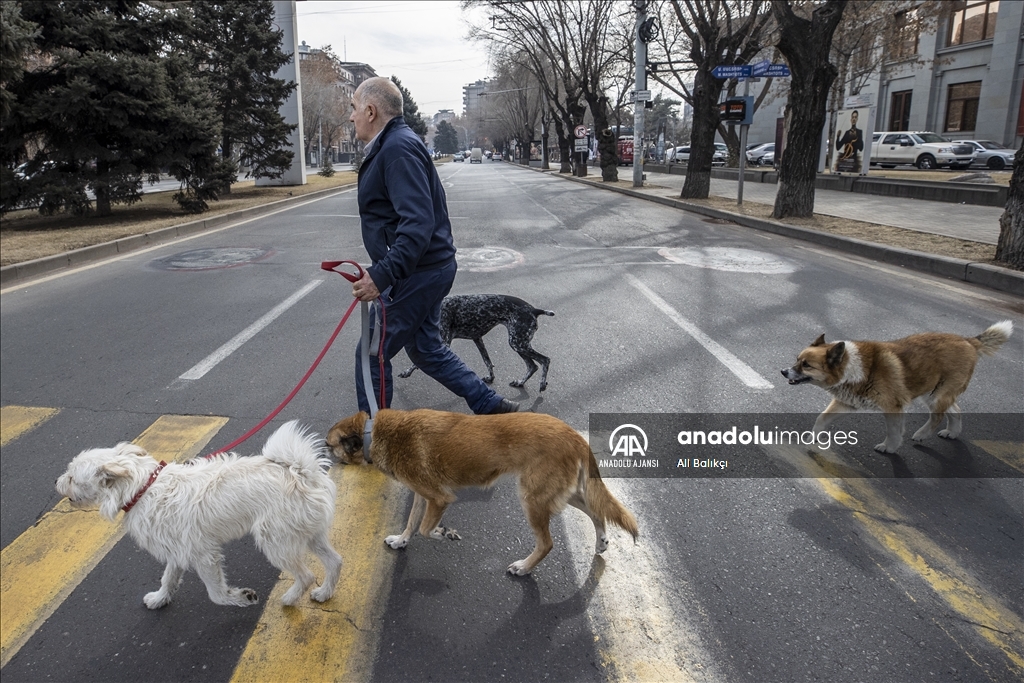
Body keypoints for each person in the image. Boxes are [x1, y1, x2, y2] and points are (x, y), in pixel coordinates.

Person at [348, 77, 519, 415]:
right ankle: (487, 402)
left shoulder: (396, 149)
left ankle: (374, 435)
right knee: (426, 349)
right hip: (426, 270)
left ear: (371, 111)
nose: (351, 117)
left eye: (354, 109)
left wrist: (381, 275)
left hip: (417, 274)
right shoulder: (395, 145)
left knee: (372, 353)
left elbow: (417, 224)